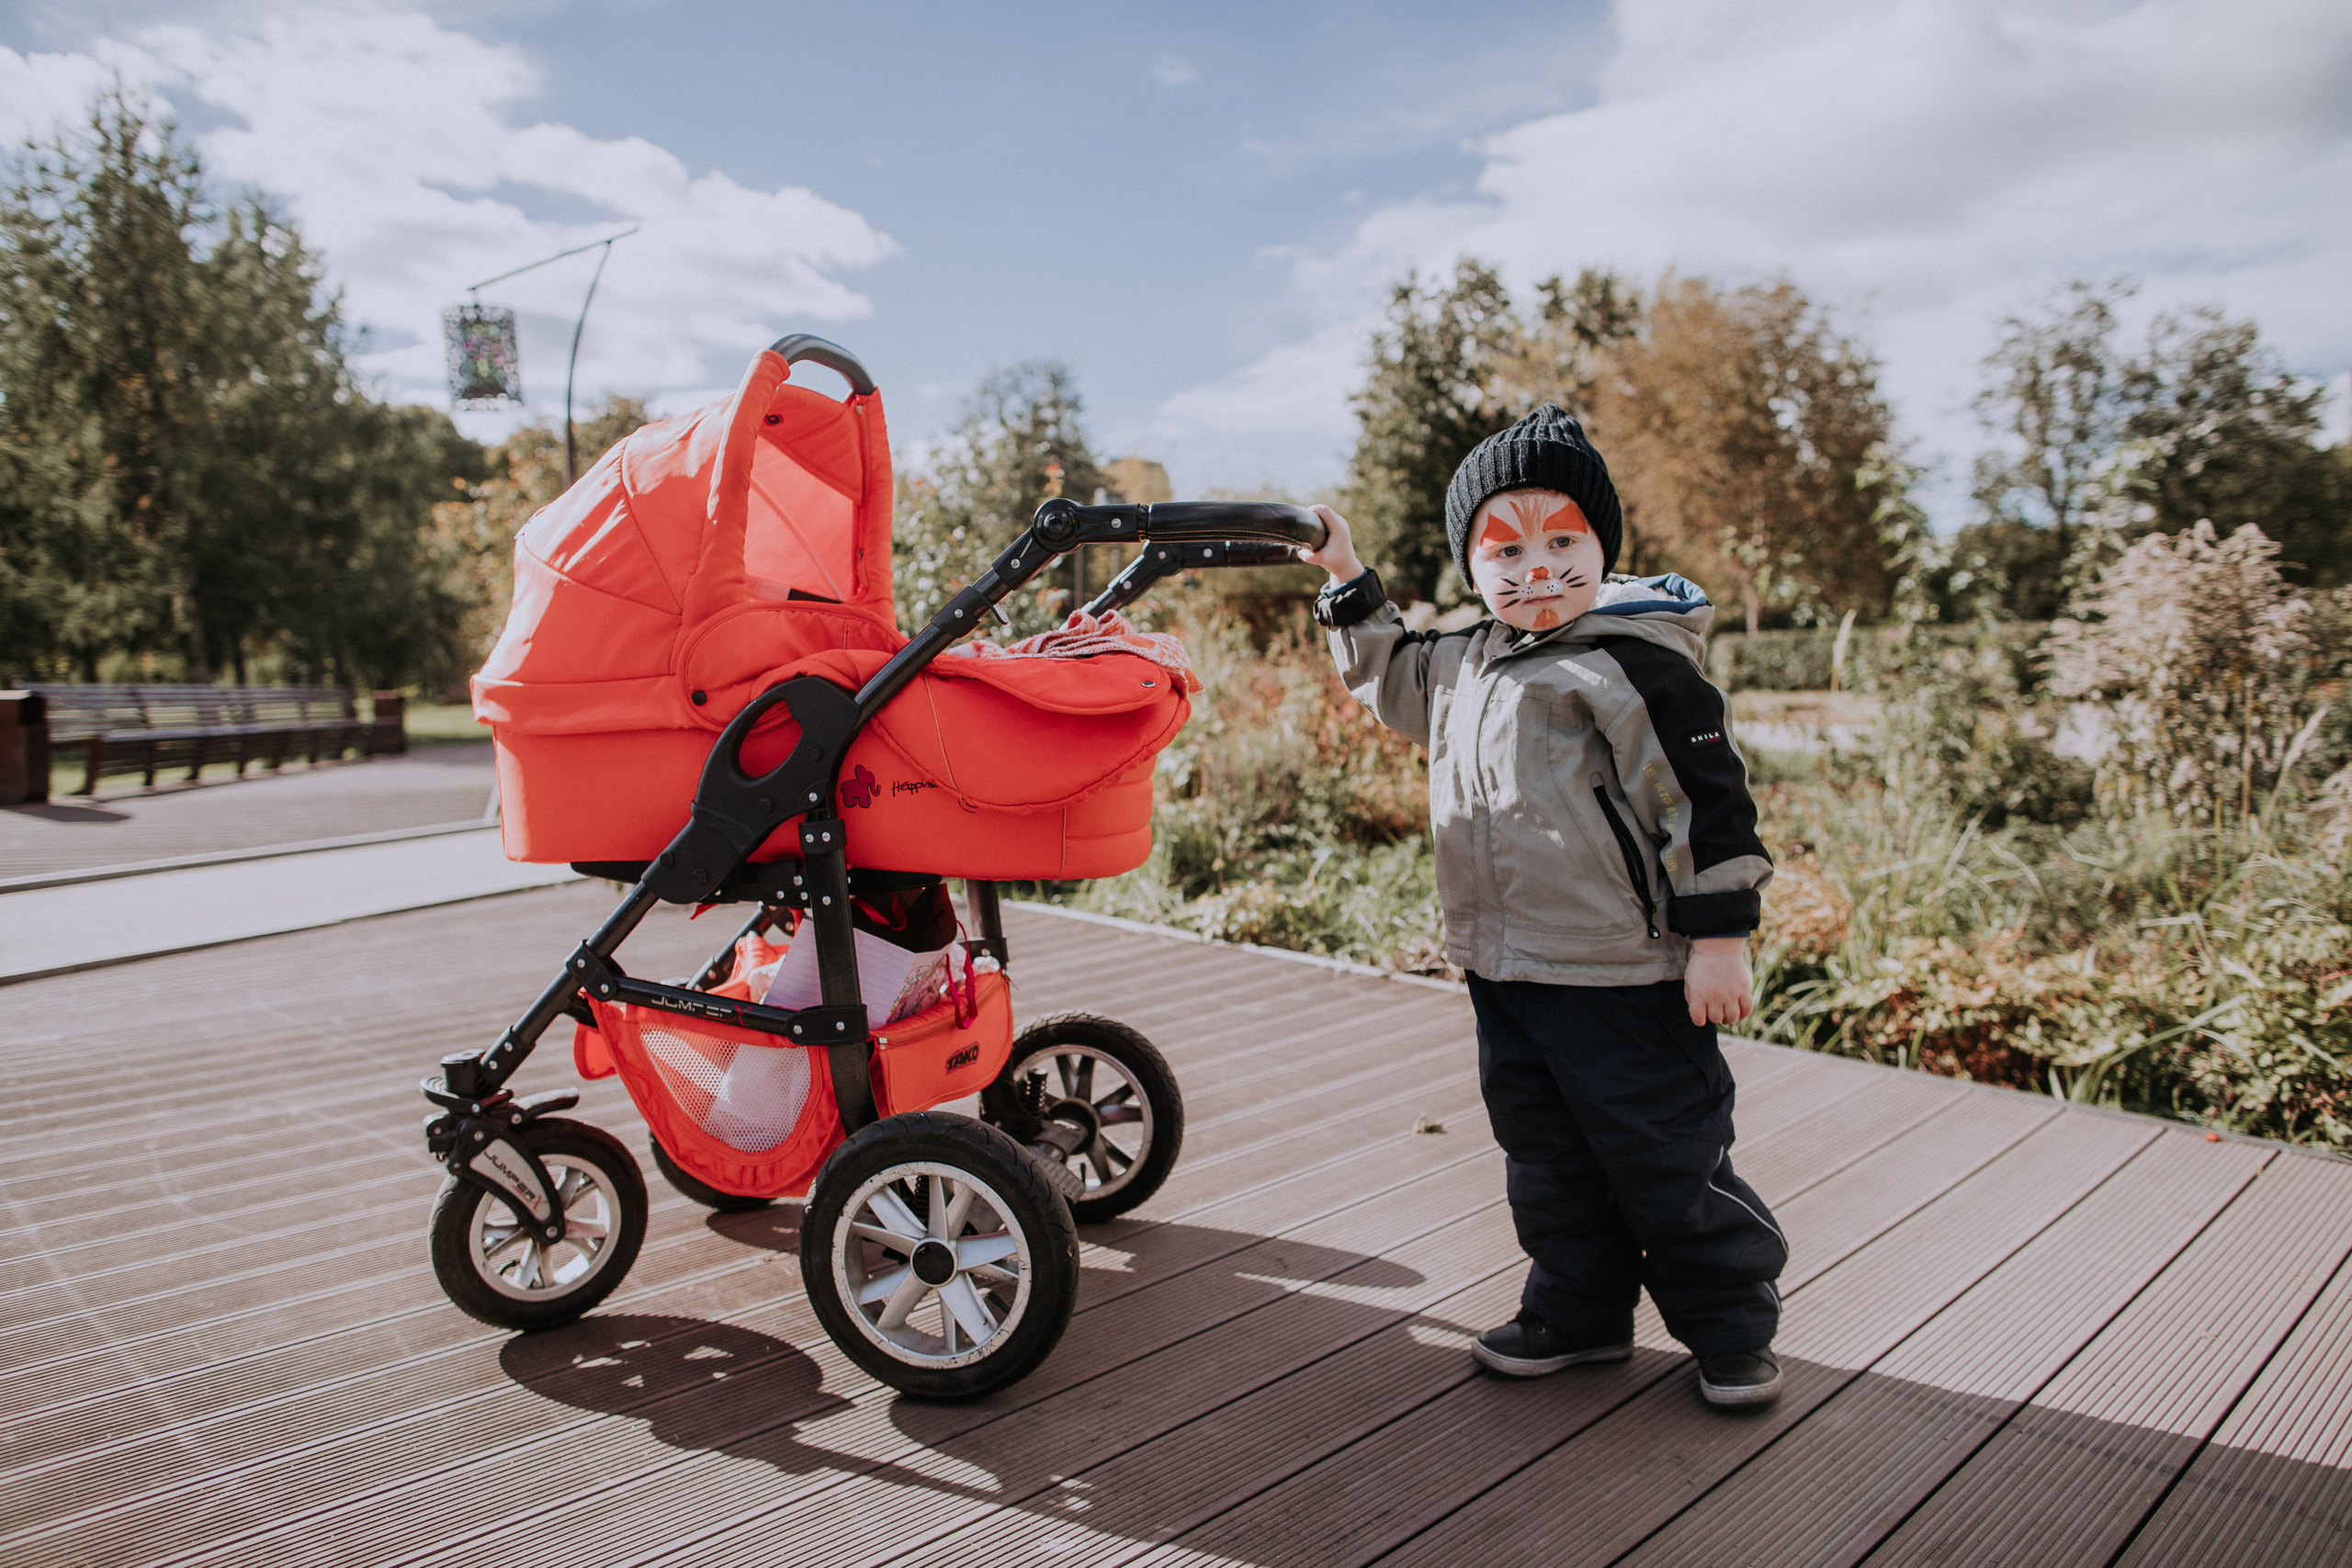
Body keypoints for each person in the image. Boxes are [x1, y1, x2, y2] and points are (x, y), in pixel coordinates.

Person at [1299, 404, 1785, 1407]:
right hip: (1508, 972)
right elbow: (1390, 678)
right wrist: (1344, 573)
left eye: (1563, 541)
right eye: (1505, 549)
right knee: (1547, 1159)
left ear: (1603, 547)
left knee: (1663, 1158)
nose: (1536, 569)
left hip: (1619, 971)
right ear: (1472, 566)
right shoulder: (1467, 658)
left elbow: (1704, 802)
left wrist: (1720, 938)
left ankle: (1732, 1325)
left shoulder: (1631, 660)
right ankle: (1580, 1312)